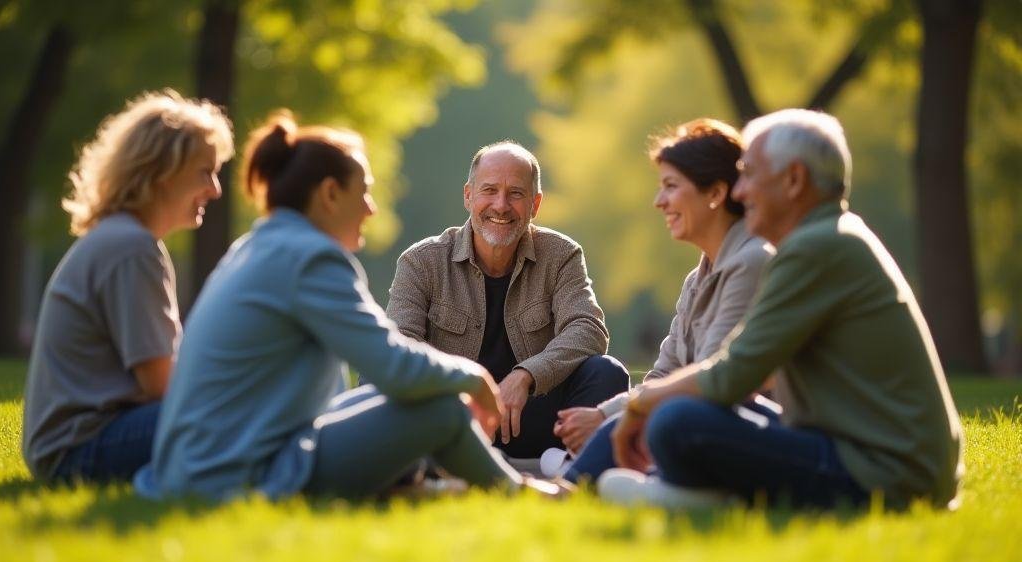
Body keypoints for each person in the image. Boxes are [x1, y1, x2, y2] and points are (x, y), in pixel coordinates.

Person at [134, 113, 562, 502]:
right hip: (240, 476)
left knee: (398, 399)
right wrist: (471, 377)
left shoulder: (259, 246)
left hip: (193, 468)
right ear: (330, 194)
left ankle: (421, 485)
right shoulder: (312, 258)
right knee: (442, 407)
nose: (371, 209)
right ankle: (518, 491)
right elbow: (391, 365)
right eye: (366, 193)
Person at [602, 109, 964, 511]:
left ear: (793, 180)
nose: (739, 191)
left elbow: (729, 376)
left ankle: (692, 497)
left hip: (886, 473)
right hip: (876, 455)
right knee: (694, 410)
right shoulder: (828, 237)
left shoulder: (817, 247)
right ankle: (694, 493)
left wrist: (641, 402)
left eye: (750, 174)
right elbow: (742, 375)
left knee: (677, 421)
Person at [21, 90, 233, 484]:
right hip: (80, 449)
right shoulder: (132, 248)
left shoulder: (124, 239)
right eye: (205, 171)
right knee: (247, 411)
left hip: (77, 441)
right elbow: (161, 385)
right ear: (162, 171)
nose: (216, 189)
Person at [556, 119, 775, 483]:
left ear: (716, 193)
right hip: (696, 420)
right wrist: (606, 413)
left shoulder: (752, 262)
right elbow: (664, 374)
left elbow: (712, 377)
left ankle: (568, 487)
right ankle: (570, 483)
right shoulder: (696, 279)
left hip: (740, 430)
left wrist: (623, 412)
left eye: (671, 187)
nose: (659, 202)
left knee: (668, 417)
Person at [386, 141, 629, 460]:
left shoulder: (561, 255)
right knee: (378, 378)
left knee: (606, 372)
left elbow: (588, 328)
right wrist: (464, 389)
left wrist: (525, 376)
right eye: (489, 190)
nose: (501, 205)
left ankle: (574, 470)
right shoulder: (421, 262)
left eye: (515, 193)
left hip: (536, 417)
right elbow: (399, 343)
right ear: (468, 196)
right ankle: (429, 466)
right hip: (453, 417)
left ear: (535, 204)